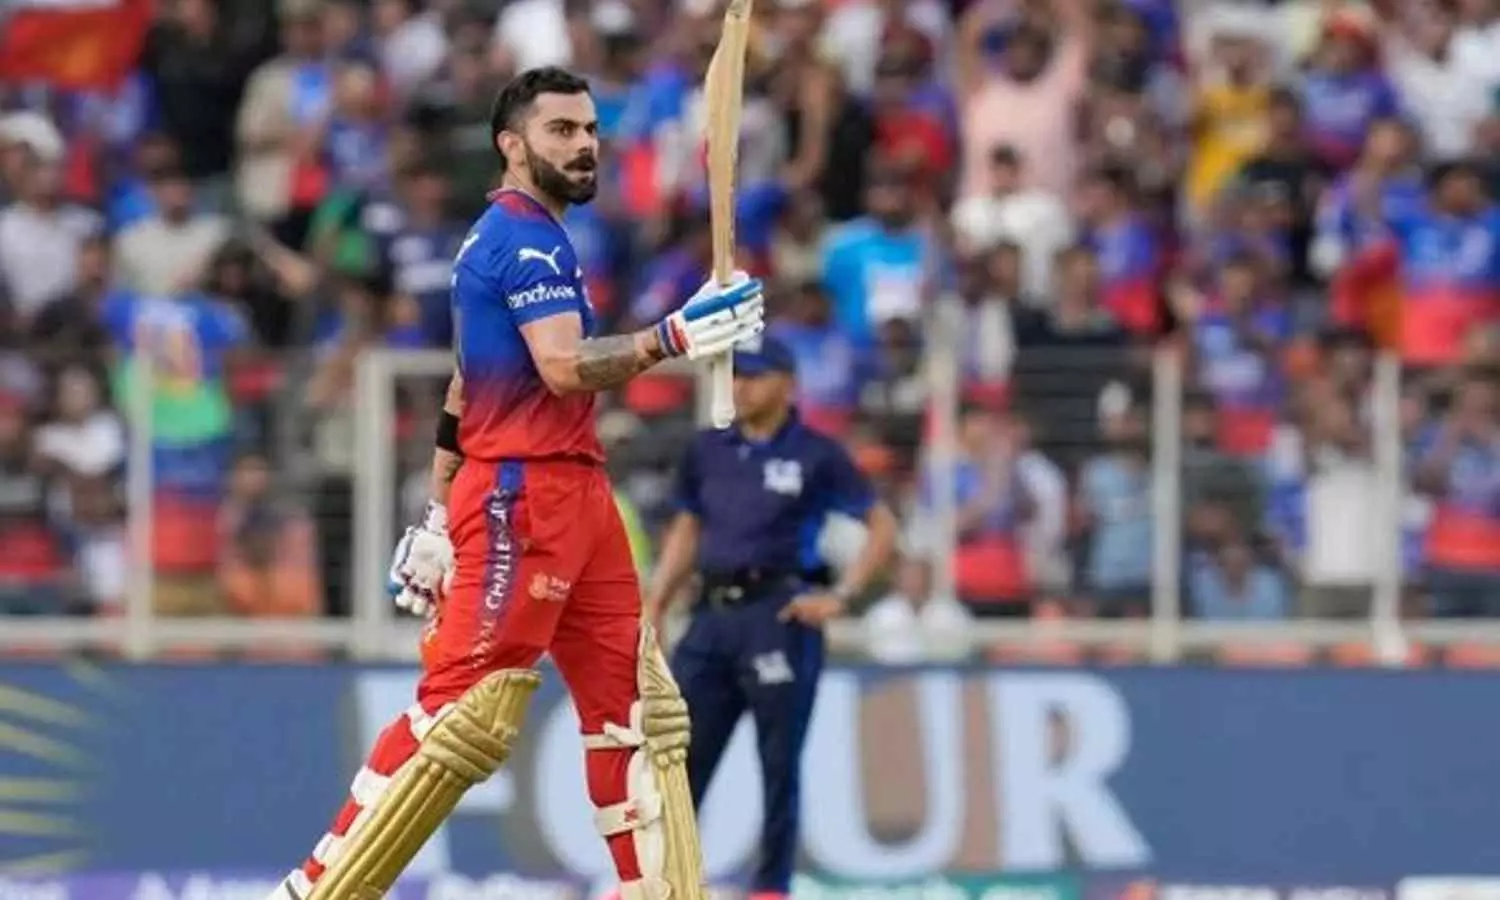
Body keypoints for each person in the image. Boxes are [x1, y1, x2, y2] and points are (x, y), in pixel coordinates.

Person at [262, 66, 766, 900]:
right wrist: (677, 335)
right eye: (562, 131)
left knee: (639, 715)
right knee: (464, 711)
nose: (585, 145)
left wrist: (434, 514)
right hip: (524, 496)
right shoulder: (524, 240)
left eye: (591, 130)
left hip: (575, 492)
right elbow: (563, 368)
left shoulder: (521, 238)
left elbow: (468, 385)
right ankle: (316, 891)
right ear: (512, 145)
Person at [644, 335, 898, 900]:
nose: (740, 387)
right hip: (710, 616)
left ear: (788, 384)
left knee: (779, 763)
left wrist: (843, 595)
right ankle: (660, 880)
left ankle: (770, 887)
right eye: (735, 375)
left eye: (754, 376)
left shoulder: (818, 454)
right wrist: (657, 600)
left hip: (778, 614)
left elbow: (881, 524)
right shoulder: (706, 449)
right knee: (677, 757)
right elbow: (688, 528)